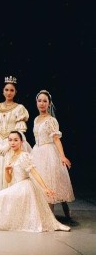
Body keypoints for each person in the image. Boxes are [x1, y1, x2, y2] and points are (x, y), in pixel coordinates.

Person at [0, 131, 69, 232]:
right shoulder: (11, 157)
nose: (12, 143)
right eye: (10, 140)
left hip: (25, 186)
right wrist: (6, 171)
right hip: (17, 186)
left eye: (16, 140)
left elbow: (34, 172)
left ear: (21, 142)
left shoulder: (24, 156)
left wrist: (45, 188)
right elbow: (8, 180)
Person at [0, 76, 31, 205]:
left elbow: (20, 130)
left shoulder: (19, 108)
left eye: (11, 90)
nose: (9, 92)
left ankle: (9, 206)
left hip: (12, 144)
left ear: (15, 92)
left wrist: (7, 146)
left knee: (10, 173)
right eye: (6, 90)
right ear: (3, 91)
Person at [31, 90, 74, 219]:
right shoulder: (36, 119)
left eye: (45, 101)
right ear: (36, 102)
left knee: (51, 181)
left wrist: (62, 156)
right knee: (40, 181)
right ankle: (43, 214)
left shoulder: (51, 120)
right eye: (39, 101)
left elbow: (56, 139)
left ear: (49, 103)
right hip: (37, 151)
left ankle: (52, 215)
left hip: (49, 152)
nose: (42, 103)